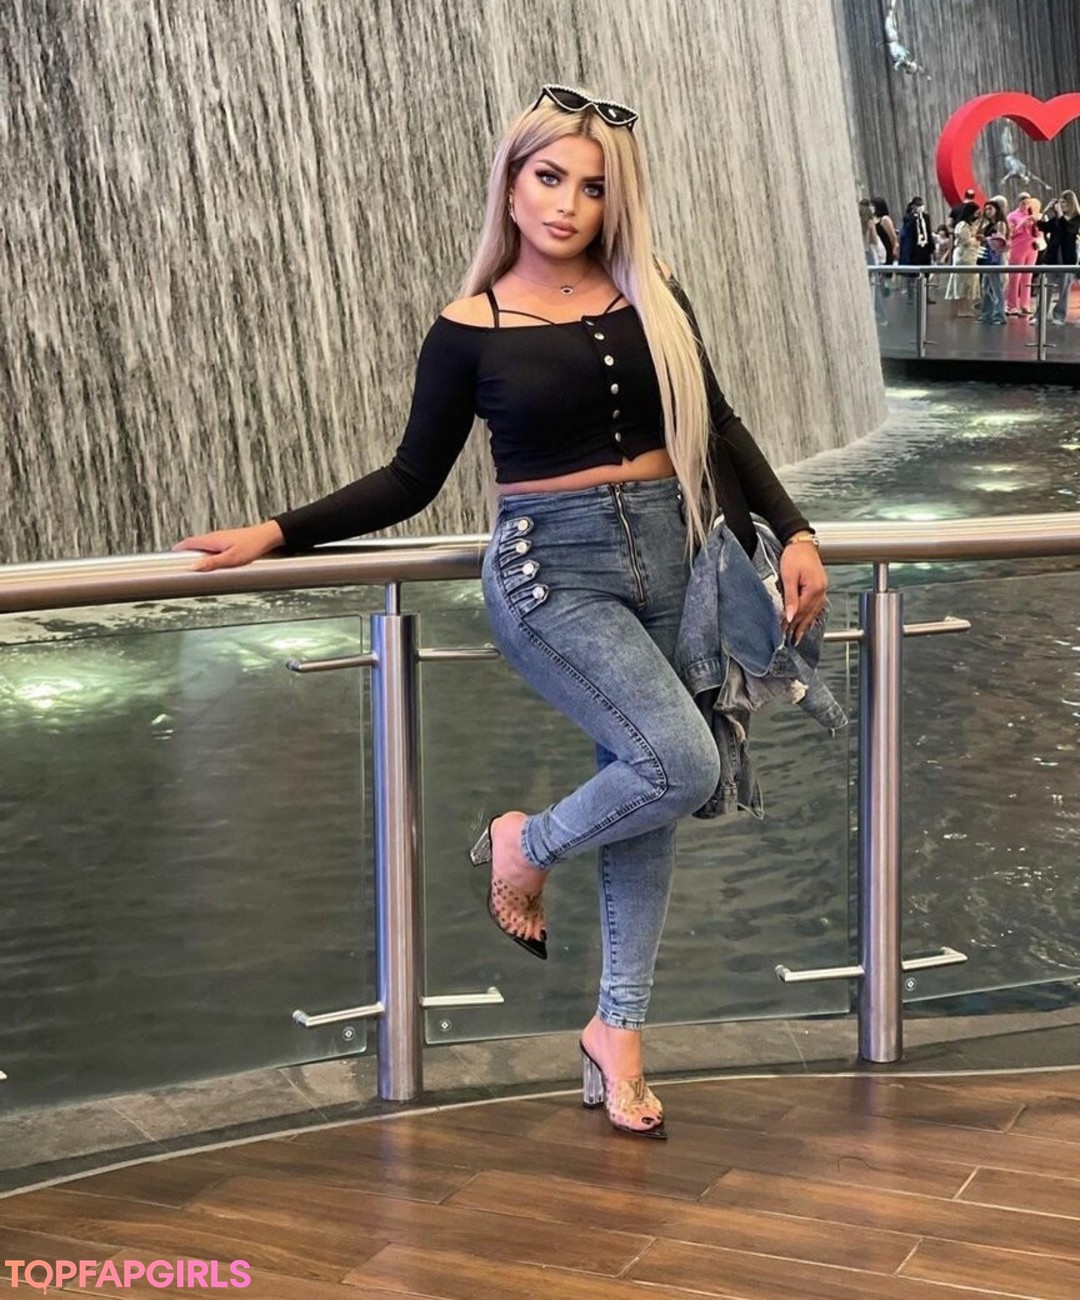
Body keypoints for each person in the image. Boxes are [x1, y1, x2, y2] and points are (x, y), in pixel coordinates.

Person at [174, 85, 828, 1140]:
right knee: (682, 762)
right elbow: (409, 479)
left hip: (671, 555)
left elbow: (721, 422)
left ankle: (618, 1032)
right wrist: (274, 532)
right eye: (549, 178)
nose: (568, 204)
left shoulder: (655, 293)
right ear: (511, 185)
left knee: (650, 789)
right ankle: (524, 844)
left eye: (593, 187)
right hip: (549, 575)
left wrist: (794, 532)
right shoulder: (467, 330)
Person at [1036, 190, 1080, 324]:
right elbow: (1042, 226)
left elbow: (1069, 229)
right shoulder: (1056, 219)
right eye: (1060, 202)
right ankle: (1039, 315)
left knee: (1064, 290)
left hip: (1067, 258)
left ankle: (1059, 316)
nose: (1061, 205)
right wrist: (1045, 210)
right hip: (1052, 257)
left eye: (1064, 202)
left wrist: (1060, 214)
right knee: (1045, 287)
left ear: (1070, 203)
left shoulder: (1077, 218)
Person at [975, 197, 1009, 325]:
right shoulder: (988, 225)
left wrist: (986, 239)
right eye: (986, 209)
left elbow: (1000, 241)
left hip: (996, 258)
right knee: (986, 286)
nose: (987, 211)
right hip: (987, 258)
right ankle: (987, 314)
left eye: (990, 208)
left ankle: (999, 315)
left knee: (996, 287)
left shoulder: (1000, 224)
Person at [1005, 193, 1040, 316]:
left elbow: (1038, 232)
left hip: (1031, 247)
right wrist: (1023, 223)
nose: (1025, 206)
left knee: (1028, 276)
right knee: (1015, 276)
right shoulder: (1012, 216)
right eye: (1023, 203)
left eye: (1028, 203)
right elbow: (1010, 233)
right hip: (1018, 246)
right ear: (1019, 203)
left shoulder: (1032, 214)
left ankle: (1025, 304)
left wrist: (1037, 225)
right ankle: (1011, 305)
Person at [944, 200, 981, 317]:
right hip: (963, 256)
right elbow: (965, 241)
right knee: (962, 282)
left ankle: (967, 307)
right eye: (976, 213)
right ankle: (961, 309)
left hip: (970, 256)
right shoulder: (962, 225)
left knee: (969, 283)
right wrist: (976, 239)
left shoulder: (971, 225)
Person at [897, 196, 935, 301]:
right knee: (913, 272)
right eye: (918, 205)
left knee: (926, 272)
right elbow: (907, 231)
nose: (920, 207)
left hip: (925, 247)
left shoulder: (926, 217)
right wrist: (914, 217)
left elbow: (928, 231)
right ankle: (911, 295)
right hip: (914, 248)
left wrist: (931, 247)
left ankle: (925, 295)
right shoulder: (908, 218)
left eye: (921, 205)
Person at [860, 198, 888, 324]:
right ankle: (882, 315)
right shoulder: (870, 221)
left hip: (859, 254)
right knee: (874, 286)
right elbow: (874, 240)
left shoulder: (856, 219)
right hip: (868, 253)